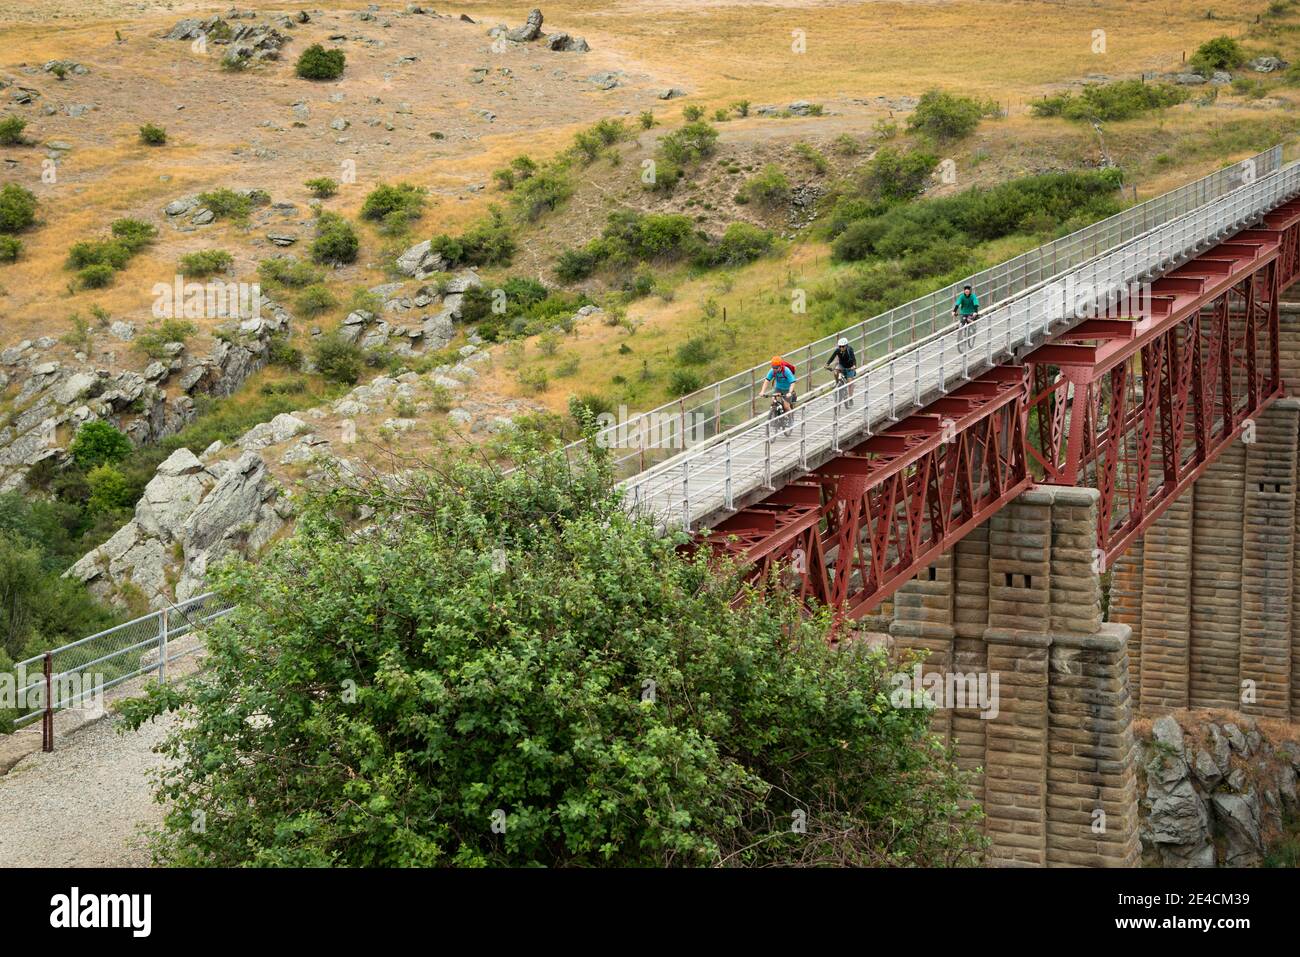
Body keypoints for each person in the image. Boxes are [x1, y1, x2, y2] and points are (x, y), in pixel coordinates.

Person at [825, 336, 858, 408]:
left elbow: (854, 359)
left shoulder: (850, 350)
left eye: (843, 346)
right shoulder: (838, 350)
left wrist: (854, 366)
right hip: (841, 365)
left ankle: (850, 398)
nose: (841, 348)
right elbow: (832, 357)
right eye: (840, 346)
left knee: (850, 383)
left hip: (850, 367)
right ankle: (837, 382)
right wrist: (827, 364)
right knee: (835, 371)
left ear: (846, 346)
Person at [953, 284, 980, 351]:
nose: (966, 290)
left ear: (970, 290)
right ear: (964, 290)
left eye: (968, 289)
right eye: (965, 289)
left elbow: (976, 304)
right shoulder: (962, 296)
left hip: (971, 312)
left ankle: (973, 329)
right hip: (963, 312)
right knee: (962, 322)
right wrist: (954, 311)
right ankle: (961, 334)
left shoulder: (973, 296)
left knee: (969, 320)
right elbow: (957, 304)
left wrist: (975, 312)